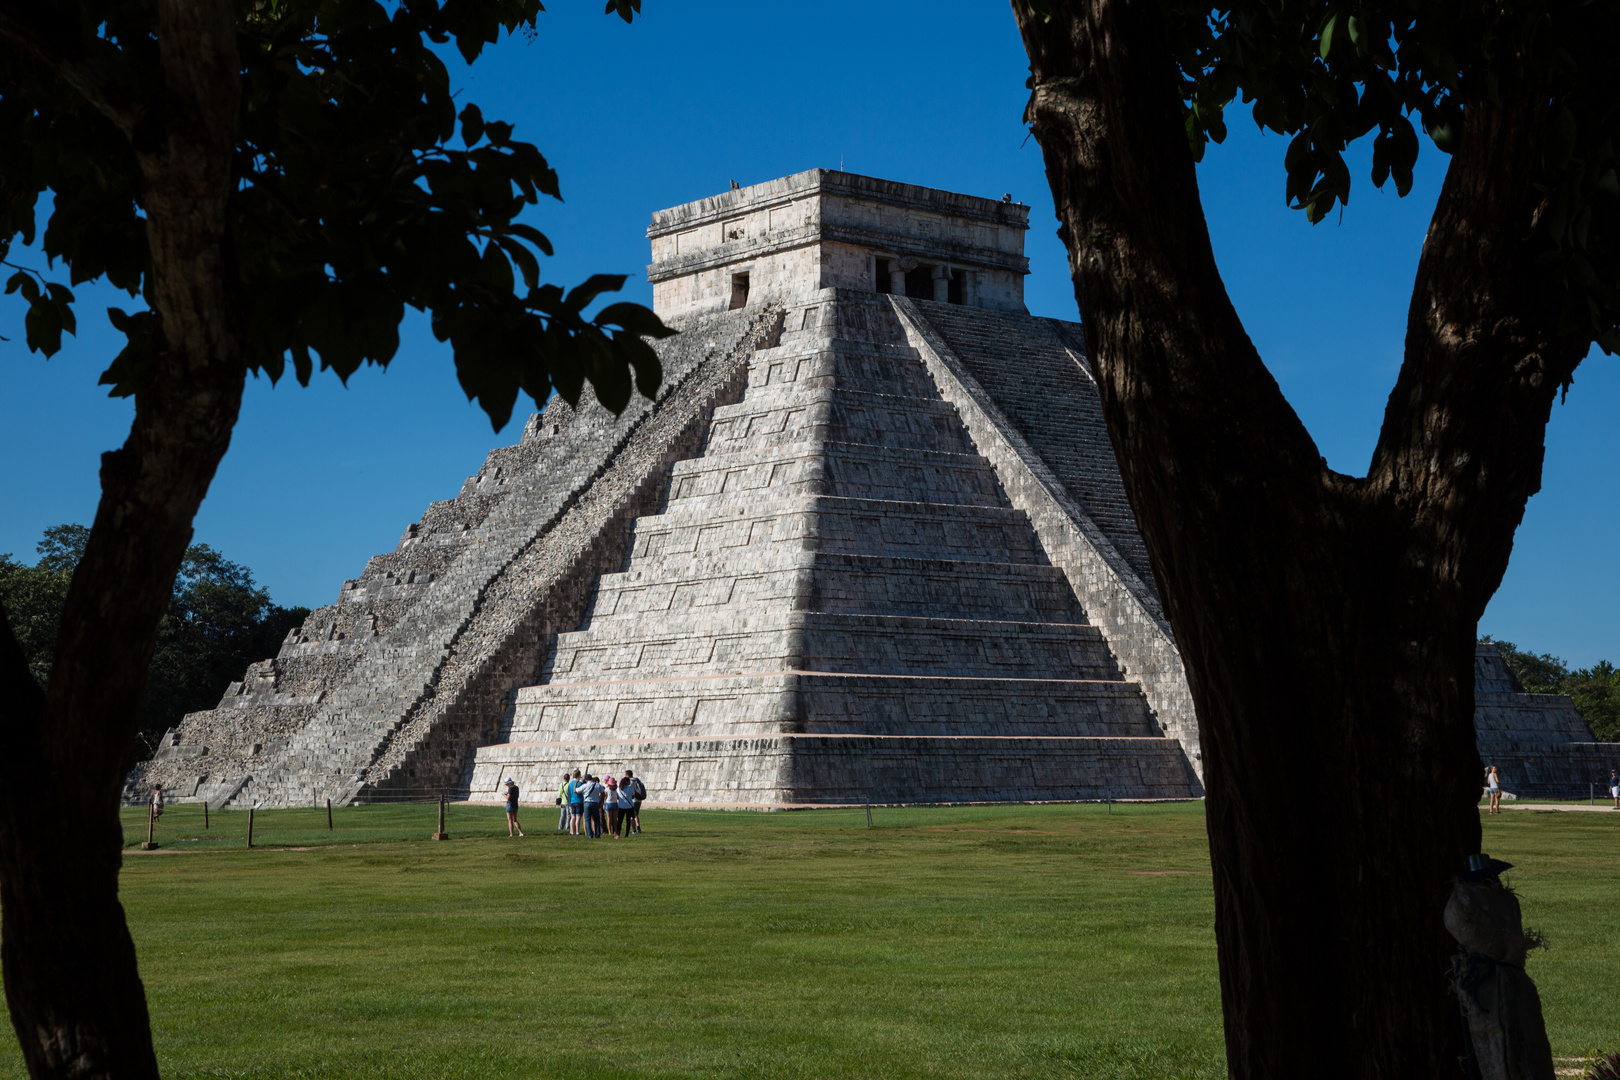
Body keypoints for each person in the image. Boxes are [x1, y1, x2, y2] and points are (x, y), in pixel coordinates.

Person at [581, 773, 605, 838]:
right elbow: (603, 793)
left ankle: (590, 835)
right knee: (597, 819)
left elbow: (575, 790)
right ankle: (597, 834)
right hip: (595, 803)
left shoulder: (584, 785)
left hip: (587, 803)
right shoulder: (597, 785)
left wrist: (576, 782)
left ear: (586, 780)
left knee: (587, 820)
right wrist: (601, 802)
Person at [624, 769, 646, 834]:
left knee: (631, 816)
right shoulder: (637, 780)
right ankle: (638, 828)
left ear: (627, 775)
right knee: (636, 814)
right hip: (639, 799)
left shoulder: (630, 782)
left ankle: (634, 830)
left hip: (633, 800)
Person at [614, 773, 636, 837]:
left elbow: (617, 797)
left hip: (621, 806)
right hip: (629, 806)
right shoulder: (630, 788)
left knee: (620, 821)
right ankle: (626, 834)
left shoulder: (619, 789)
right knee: (628, 821)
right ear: (627, 782)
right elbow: (633, 796)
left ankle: (618, 834)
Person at [567, 769, 585, 835]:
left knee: (573, 817)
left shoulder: (570, 784)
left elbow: (569, 794)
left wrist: (569, 803)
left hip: (572, 802)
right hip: (579, 801)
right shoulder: (580, 783)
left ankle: (572, 831)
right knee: (578, 818)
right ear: (578, 775)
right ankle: (577, 831)